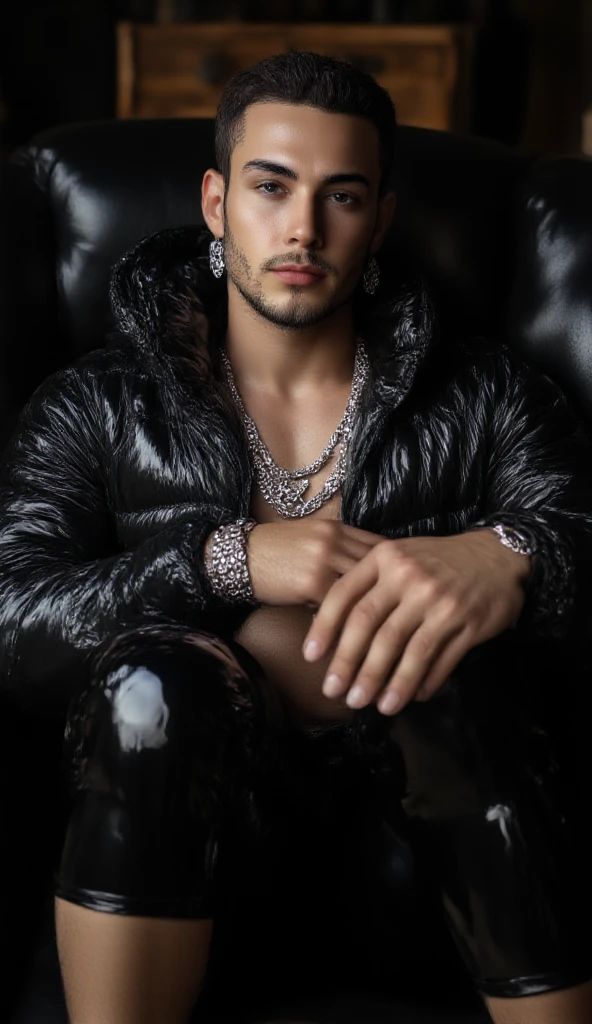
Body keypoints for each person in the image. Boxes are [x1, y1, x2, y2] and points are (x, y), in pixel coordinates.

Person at [1, 49, 592, 1024]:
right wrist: (224, 557)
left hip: (432, 889)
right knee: (159, 685)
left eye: (343, 196)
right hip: (182, 863)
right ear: (215, 201)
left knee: (452, 678)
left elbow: (570, 518)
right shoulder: (96, 406)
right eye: (270, 186)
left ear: (382, 221)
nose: (303, 228)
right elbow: (15, 623)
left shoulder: (485, 395)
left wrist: (514, 554)